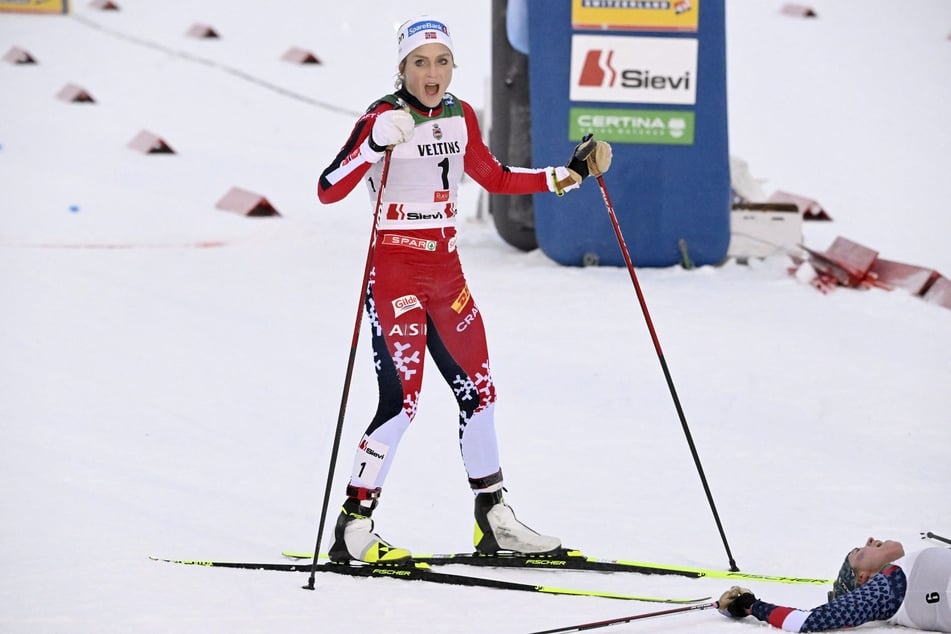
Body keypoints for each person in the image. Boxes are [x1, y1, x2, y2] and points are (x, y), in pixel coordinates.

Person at [316, 15, 612, 564]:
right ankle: (353, 526)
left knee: (480, 393)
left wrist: (561, 176)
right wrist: (372, 146)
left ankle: (494, 519)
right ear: (402, 67)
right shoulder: (381, 117)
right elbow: (327, 189)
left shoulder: (460, 116)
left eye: (443, 61)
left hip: (447, 276)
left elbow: (493, 175)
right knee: (401, 404)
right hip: (396, 276)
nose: (433, 73)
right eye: (421, 62)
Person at [717, 537, 951, 632]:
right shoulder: (884, 589)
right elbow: (805, 621)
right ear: (864, 578)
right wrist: (748, 605)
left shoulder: (904, 569)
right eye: (859, 552)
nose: (870, 540)